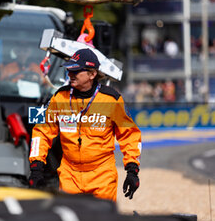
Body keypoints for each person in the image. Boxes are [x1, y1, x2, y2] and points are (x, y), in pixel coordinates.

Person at [28, 48, 142, 202]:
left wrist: (132, 170)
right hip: (69, 174)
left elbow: (130, 136)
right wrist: (36, 166)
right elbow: (42, 132)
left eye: (76, 71)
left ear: (92, 74)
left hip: (102, 175)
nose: (70, 74)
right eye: (69, 70)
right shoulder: (59, 97)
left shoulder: (111, 99)